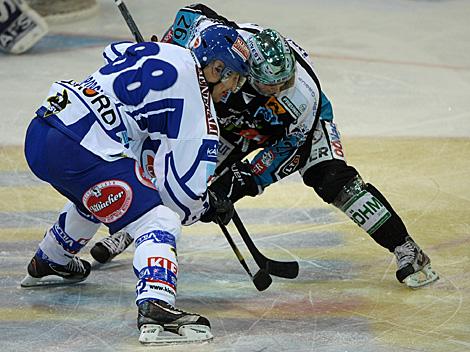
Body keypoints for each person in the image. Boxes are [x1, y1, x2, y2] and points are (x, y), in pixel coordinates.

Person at [91, 4, 439, 289]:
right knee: (181, 173)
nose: (279, 89)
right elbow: (190, 15)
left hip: (295, 131)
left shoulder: (300, 98)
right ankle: (135, 226)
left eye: (283, 82)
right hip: (232, 119)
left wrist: (246, 179)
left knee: (332, 180)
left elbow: (289, 150)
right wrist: (166, 52)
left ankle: (406, 247)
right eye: (270, 85)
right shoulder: (225, 41)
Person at [20, 23, 249, 344]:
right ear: (216, 68)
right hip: (78, 149)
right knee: (160, 219)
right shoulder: (201, 108)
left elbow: (113, 52)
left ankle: (50, 260)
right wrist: (209, 205)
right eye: (234, 78)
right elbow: (182, 197)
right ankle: (157, 304)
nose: (233, 89)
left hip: (43, 128)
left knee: (103, 196)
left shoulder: (169, 51)